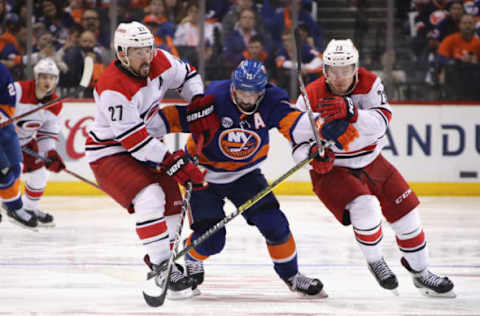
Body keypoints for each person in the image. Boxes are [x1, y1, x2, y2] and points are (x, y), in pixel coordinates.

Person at [293, 39, 456, 297]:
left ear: (355, 67)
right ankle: (376, 261)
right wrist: (313, 156)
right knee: (365, 208)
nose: (340, 77)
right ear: (324, 70)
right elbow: (296, 141)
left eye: (346, 69)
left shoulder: (370, 83)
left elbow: (381, 123)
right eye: (334, 70)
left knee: (408, 217)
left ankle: (421, 273)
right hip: (334, 169)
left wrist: (351, 111)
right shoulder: (310, 95)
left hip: (372, 160)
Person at [182, 59, 330, 298]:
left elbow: (294, 124)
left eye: (253, 95)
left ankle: (292, 276)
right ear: (233, 87)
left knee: (275, 225)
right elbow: (179, 119)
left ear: (263, 91)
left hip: (245, 175)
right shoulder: (213, 97)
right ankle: (191, 256)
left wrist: (322, 132)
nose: (246, 100)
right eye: (241, 92)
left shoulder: (272, 100)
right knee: (212, 241)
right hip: (204, 175)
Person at [84, 21, 209, 300]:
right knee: (150, 198)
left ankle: (165, 261)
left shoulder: (160, 59)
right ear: (122, 53)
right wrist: (176, 163)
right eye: (138, 51)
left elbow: (188, 75)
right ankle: (162, 267)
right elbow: (136, 143)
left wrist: (197, 100)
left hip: (147, 143)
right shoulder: (112, 87)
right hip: (110, 152)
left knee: (175, 208)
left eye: (148, 49)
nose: (147, 56)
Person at [13, 57, 66, 227]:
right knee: (12, 172)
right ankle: (13, 207)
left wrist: (48, 153)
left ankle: (29, 207)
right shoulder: (18, 90)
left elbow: (46, 133)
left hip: (26, 142)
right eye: (43, 77)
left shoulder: (54, 104)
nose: (47, 81)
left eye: (51, 78)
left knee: (41, 173)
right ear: (36, 77)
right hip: (4, 141)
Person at [0, 62, 38, 230]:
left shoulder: (1, 71)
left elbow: (8, 105)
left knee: (15, 169)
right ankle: (15, 207)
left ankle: (12, 207)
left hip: (4, 129)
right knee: (3, 172)